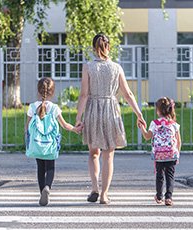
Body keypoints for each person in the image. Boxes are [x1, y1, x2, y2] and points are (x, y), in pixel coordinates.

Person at [75, 33, 147, 204]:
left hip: (93, 109)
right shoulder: (116, 68)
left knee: (93, 153)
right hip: (111, 110)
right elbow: (128, 94)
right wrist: (139, 114)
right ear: (109, 47)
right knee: (109, 154)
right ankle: (104, 194)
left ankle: (94, 188)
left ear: (93, 48)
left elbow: (84, 94)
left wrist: (79, 118)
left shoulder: (88, 67)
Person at [25, 77, 80, 206]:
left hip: (37, 144)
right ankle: (47, 187)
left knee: (40, 168)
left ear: (38, 91)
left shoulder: (32, 107)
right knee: (50, 167)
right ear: (52, 92)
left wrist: (28, 139)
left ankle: (41, 192)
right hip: (50, 145)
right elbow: (65, 125)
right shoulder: (54, 108)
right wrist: (75, 129)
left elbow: (27, 127)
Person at [139, 97, 181, 206]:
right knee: (170, 176)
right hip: (171, 153)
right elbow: (179, 141)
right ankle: (169, 198)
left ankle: (159, 196)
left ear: (158, 110)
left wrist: (142, 128)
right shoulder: (174, 124)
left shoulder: (155, 123)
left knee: (159, 175)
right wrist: (177, 154)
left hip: (159, 155)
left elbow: (147, 137)